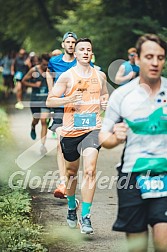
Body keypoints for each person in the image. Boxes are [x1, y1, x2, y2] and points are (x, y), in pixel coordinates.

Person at [99, 34, 167, 251]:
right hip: (132, 177)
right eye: (149, 57)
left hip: (165, 174)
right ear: (136, 60)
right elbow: (104, 137)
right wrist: (116, 138)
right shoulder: (122, 95)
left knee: (163, 241)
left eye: (160, 57)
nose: (155, 62)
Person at [46, 38, 108, 234]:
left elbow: (104, 95)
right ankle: (72, 208)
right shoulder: (66, 76)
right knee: (71, 173)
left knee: (90, 170)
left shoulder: (100, 76)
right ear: (76, 53)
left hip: (93, 129)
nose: (85, 52)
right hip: (71, 131)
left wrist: (105, 103)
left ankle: (86, 217)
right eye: (82, 49)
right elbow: (50, 101)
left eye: (89, 49)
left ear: (92, 53)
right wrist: (69, 98)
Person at [46, 32, 78, 199]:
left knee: (72, 146)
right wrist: (52, 91)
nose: (71, 44)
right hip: (60, 107)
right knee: (60, 143)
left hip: (76, 108)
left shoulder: (81, 61)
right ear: (63, 44)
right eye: (68, 42)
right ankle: (62, 182)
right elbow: (48, 73)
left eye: (73, 42)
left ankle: (72, 177)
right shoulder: (54, 62)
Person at [22, 54, 50, 155]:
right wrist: (34, 85)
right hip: (35, 100)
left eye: (47, 65)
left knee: (44, 121)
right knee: (36, 120)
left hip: (46, 100)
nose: (45, 67)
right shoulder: (34, 70)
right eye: (43, 65)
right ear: (39, 62)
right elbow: (23, 81)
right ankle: (33, 126)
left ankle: (42, 145)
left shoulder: (51, 71)